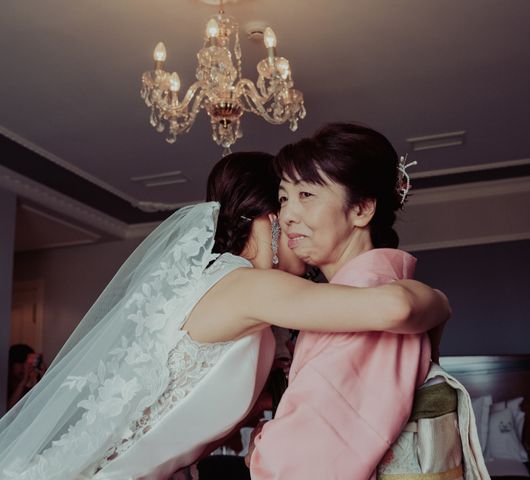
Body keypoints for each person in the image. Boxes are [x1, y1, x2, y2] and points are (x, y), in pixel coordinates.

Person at [0, 151, 449, 480]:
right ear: (273, 219)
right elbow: (397, 307)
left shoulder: (226, 289)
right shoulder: (251, 287)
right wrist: (442, 302)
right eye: (288, 206)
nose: (299, 230)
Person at [247, 123, 452, 479]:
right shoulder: (367, 296)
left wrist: (259, 448)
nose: (287, 215)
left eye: (306, 195)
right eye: (283, 197)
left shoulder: (366, 304)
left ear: (361, 210)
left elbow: (310, 462)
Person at [7, 345, 42, 410]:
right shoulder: (4, 387)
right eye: (20, 362)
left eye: (27, 363)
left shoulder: (28, 388)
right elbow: (8, 411)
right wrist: (24, 380)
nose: (24, 367)